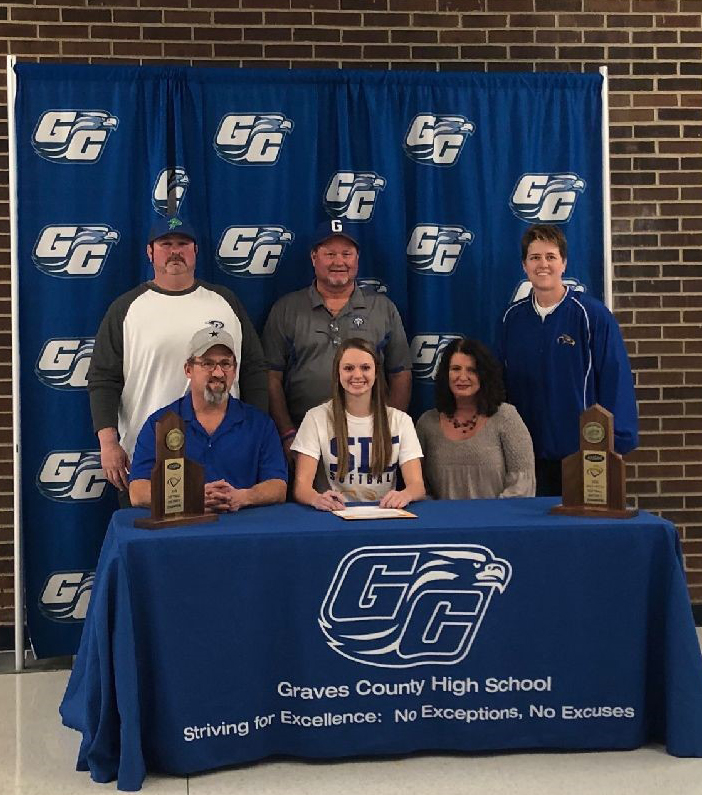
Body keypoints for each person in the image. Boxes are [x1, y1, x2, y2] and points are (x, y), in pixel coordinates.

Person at [88, 215, 268, 497]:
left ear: (195, 251)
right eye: (166, 244)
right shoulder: (126, 308)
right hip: (149, 455)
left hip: (226, 453)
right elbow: (103, 379)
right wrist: (108, 443)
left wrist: (257, 433)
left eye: (183, 244)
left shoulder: (224, 302)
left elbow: (254, 370)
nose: (175, 251)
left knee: (230, 524)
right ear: (150, 252)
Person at [497, 224, 638, 496]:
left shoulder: (592, 315)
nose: (543, 264)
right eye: (535, 257)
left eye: (550, 257)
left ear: (564, 263)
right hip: (526, 457)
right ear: (524, 265)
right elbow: (499, 385)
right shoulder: (511, 319)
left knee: (580, 522)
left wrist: (617, 442)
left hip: (583, 454)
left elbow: (616, 378)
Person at [263, 219, 412, 461]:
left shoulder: (382, 309)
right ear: (314, 258)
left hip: (370, 441)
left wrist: (388, 430)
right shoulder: (287, 309)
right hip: (306, 440)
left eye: (346, 254)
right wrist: (287, 434)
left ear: (357, 259)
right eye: (330, 254)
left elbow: (400, 374)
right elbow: (271, 377)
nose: (339, 262)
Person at [129, 326, 286, 512]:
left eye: (226, 364)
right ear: (188, 369)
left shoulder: (259, 424)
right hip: (183, 526)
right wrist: (190, 498)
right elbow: (137, 492)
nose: (218, 373)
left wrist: (243, 497)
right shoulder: (160, 423)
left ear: (235, 370)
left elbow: (278, 486)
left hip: (243, 524)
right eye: (207, 364)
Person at [291, 337, 425, 511]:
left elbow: (417, 485)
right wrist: (317, 499)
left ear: (376, 372)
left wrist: (405, 495)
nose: (357, 375)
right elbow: (301, 487)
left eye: (365, 368)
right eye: (348, 368)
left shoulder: (400, 421)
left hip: (383, 513)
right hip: (335, 513)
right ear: (337, 373)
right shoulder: (315, 418)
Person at [416, 337, 535, 499]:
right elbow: (418, 487)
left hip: (500, 514)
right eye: (456, 369)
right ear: (445, 374)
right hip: (442, 515)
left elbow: (522, 484)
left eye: (471, 370)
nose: (462, 377)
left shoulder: (506, 417)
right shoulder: (426, 424)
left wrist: (494, 513)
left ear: (484, 375)